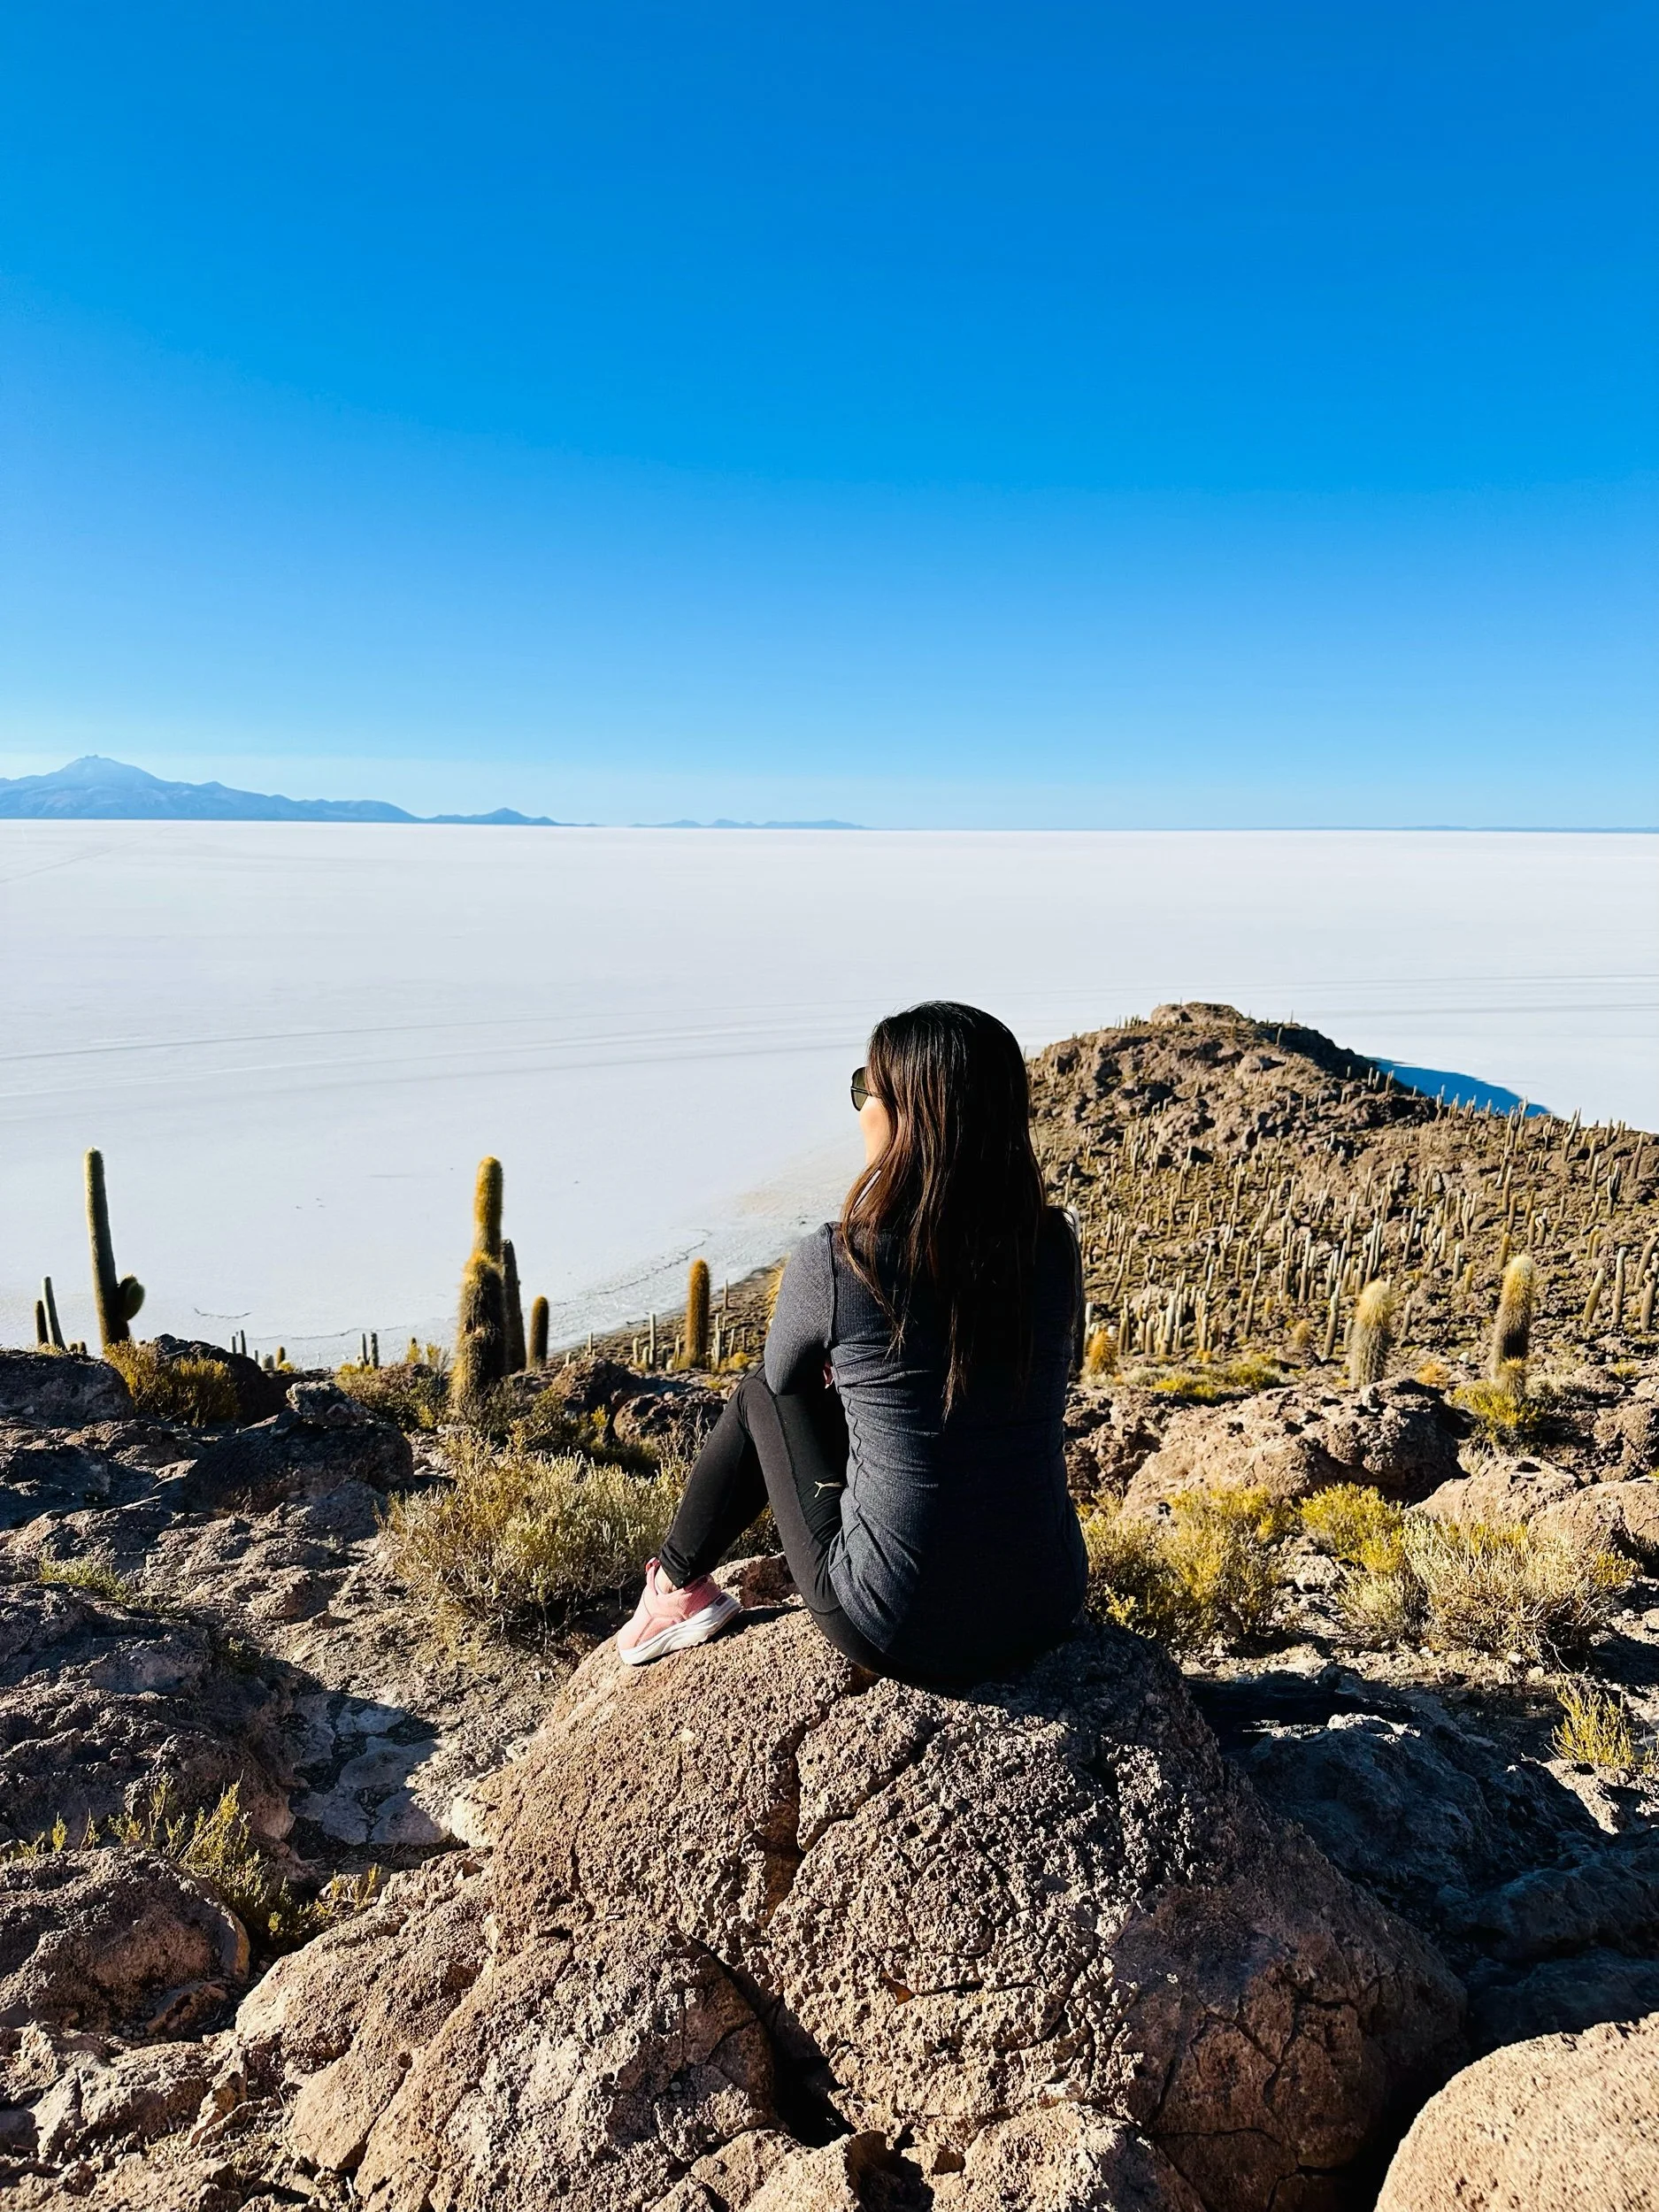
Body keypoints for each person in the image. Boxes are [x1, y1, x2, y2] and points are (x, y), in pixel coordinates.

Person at [616, 1000, 1089, 1686]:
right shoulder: (1051, 1246)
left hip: (897, 1623)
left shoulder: (844, 1259)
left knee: (757, 1394)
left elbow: (783, 1383)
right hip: (1047, 1603)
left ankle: (675, 1588)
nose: (860, 1103)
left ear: (903, 1114)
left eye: (863, 1088)